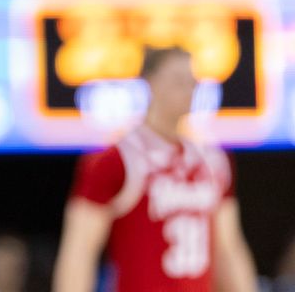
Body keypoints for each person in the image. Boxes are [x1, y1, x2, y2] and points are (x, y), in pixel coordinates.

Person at [53, 46, 258, 292]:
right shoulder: (117, 159)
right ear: (150, 82)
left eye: (192, 82)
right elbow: (80, 249)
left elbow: (230, 248)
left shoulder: (213, 161)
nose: (188, 90)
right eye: (177, 81)